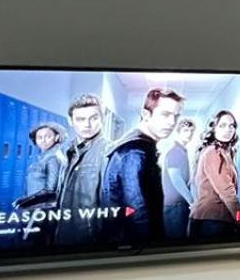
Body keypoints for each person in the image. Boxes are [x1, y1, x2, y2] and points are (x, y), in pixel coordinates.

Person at [103, 88, 185, 243]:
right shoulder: (135, 151)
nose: (172, 122)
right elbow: (137, 210)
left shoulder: (141, 146)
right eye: (165, 114)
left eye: (176, 116)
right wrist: (153, 249)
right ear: (146, 114)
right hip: (134, 245)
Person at [53, 94, 113, 247]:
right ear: (70, 121)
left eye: (93, 118)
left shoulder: (109, 151)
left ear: (102, 118)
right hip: (62, 233)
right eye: (80, 119)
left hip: (91, 239)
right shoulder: (65, 151)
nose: (87, 124)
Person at [190, 110, 240, 239]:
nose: (228, 130)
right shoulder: (213, 152)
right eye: (222, 125)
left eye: (231, 126)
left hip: (215, 219)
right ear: (213, 128)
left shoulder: (225, 152)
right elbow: (227, 191)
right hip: (213, 221)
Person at [159, 118, 197, 241]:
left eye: (191, 131)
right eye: (185, 130)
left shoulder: (182, 151)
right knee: (176, 241)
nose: (189, 134)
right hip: (174, 206)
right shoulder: (175, 152)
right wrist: (191, 201)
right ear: (178, 132)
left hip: (178, 204)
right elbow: (176, 179)